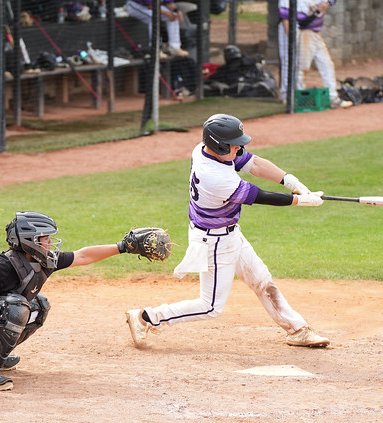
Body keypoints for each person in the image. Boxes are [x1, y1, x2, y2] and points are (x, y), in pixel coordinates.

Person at [125, 114, 330, 349]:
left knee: (262, 281)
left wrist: (292, 182)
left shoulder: (205, 149)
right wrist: (301, 201)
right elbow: (260, 196)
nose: (240, 148)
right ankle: (146, 317)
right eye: (234, 144)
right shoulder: (215, 177)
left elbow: (255, 164)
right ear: (220, 145)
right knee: (210, 306)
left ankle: (297, 330)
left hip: (229, 234)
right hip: (214, 242)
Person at [0, 212, 164, 391]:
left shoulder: (43, 260)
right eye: (45, 238)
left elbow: (82, 256)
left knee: (38, 306)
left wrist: (122, 247)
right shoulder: (4, 263)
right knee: (17, 307)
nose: (50, 242)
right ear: (30, 241)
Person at [295, 0, 346, 107]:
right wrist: (318, 11)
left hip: (316, 35)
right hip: (305, 34)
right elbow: (302, 22)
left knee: (327, 64)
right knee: (303, 68)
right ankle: (298, 98)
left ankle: (333, 98)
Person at [277, 0, 305, 101]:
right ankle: (285, 94)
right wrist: (290, 35)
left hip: (299, 29)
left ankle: (297, 91)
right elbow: (284, 17)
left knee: (299, 61)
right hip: (287, 30)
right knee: (287, 61)